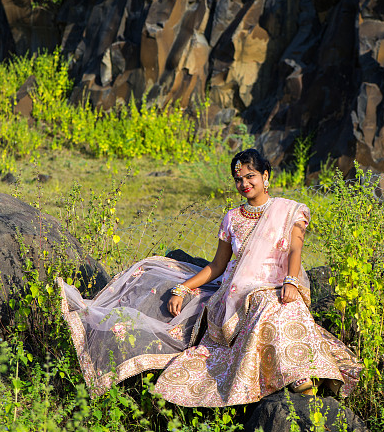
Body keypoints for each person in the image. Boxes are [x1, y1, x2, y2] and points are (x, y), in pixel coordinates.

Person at [57, 149, 361, 406]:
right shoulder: (232, 218)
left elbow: (295, 250)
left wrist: (291, 282)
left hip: (280, 281)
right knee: (266, 305)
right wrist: (183, 288)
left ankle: (299, 371)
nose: (244, 183)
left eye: (250, 176)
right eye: (238, 179)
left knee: (285, 304)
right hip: (237, 292)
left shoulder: (288, 210)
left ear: (266, 176)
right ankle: (296, 376)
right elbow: (217, 266)